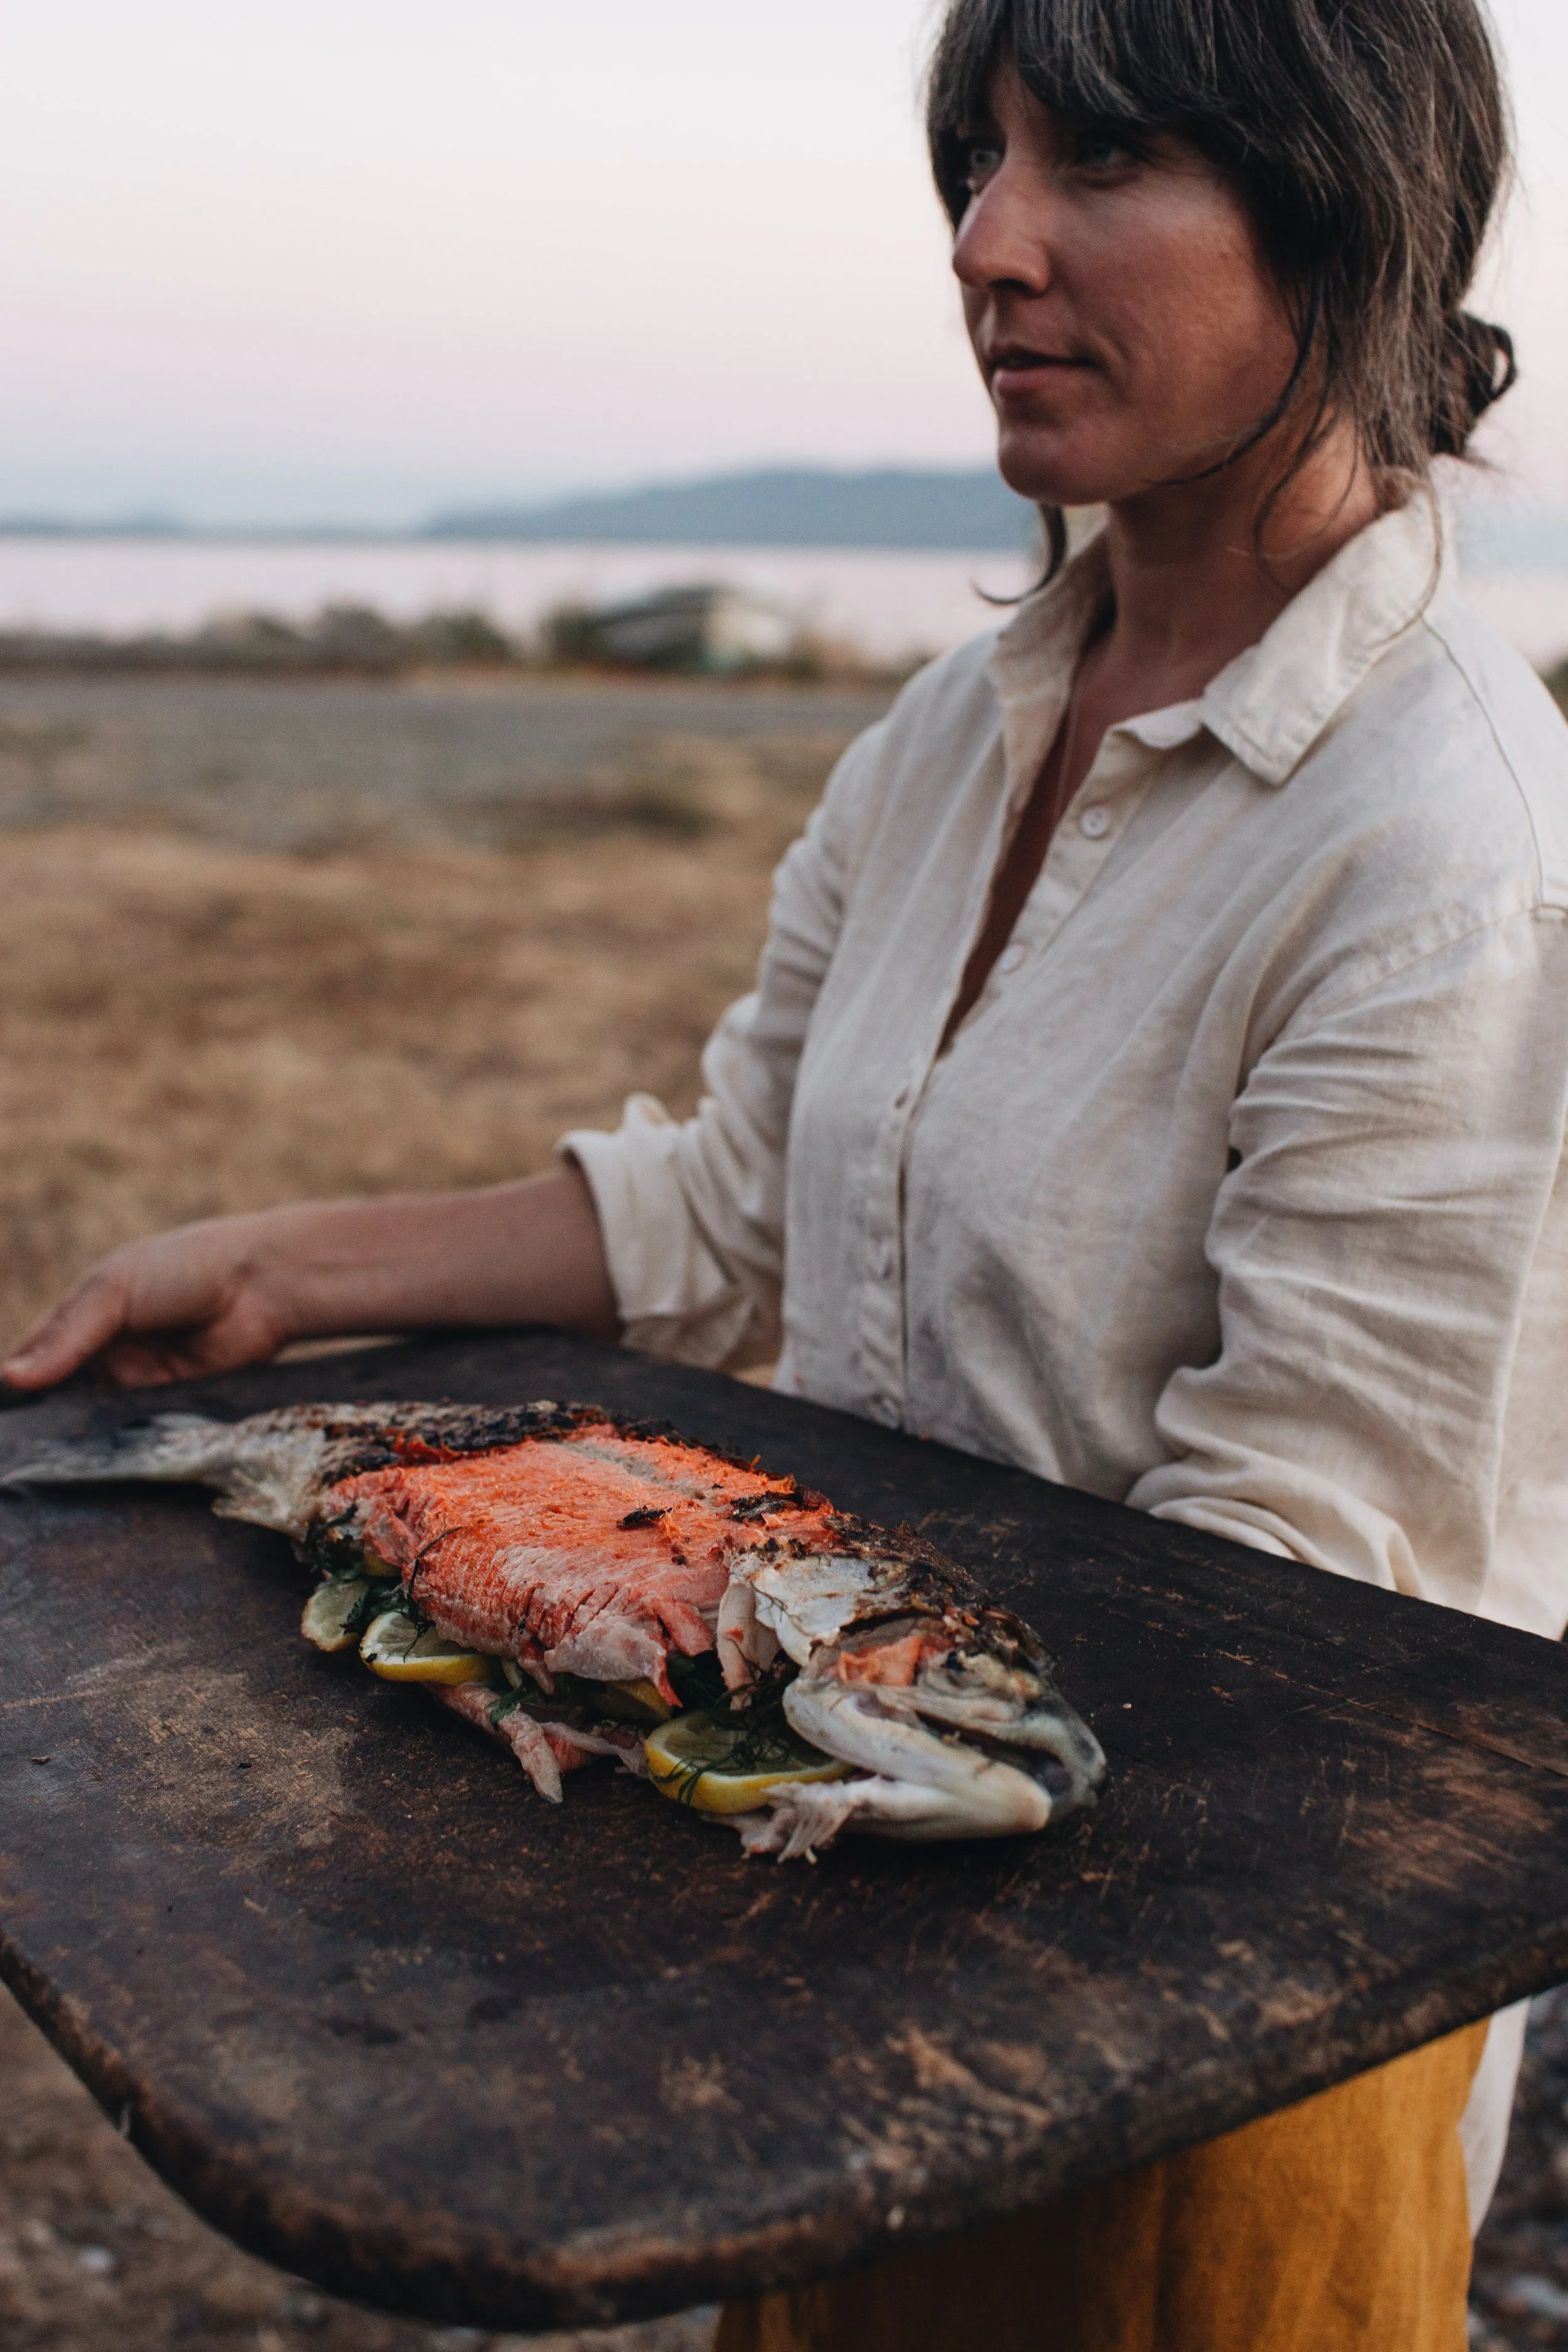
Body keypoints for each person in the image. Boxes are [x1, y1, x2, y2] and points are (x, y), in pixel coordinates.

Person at [9, 0, 1567, 2341]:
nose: (989, 243)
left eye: (1106, 160)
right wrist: (279, 1264)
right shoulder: (960, 728)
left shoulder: (1449, 849)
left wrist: (725, 1680)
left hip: (1207, 2046)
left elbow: (1306, 1615)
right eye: (977, 156)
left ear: (1346, 209)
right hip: (834, 1941)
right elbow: (742, 1208)